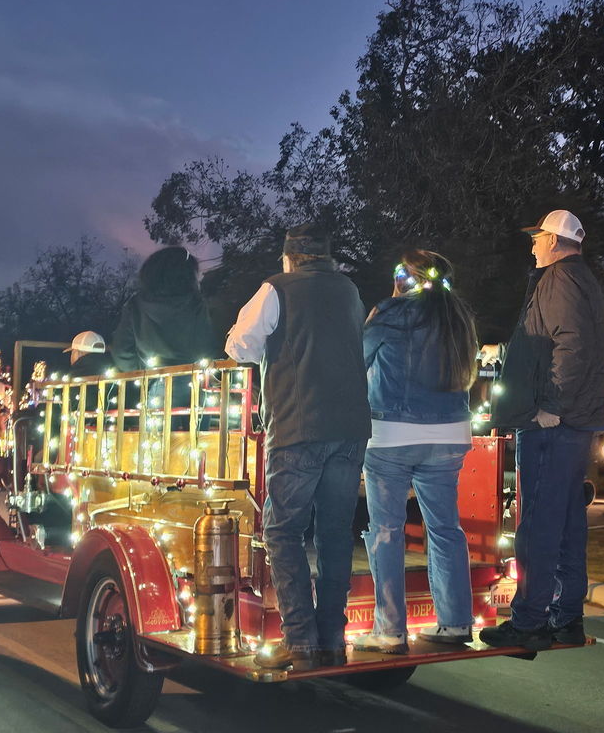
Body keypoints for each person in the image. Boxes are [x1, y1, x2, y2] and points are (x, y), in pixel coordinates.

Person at [225, 224, 370, 671]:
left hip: (298, 426)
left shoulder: (276, 289)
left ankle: (299, 640)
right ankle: (332, 640)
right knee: (334, 533)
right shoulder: (348, 289)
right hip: (350, 428)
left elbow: (238, 346)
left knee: (283, 531)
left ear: (289, 258)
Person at [478, 209, 604, 652]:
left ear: (554, 241)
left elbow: (570, 344)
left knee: (537, 522)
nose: (532, 245)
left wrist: (550, 406)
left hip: (554, 424)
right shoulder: (581, 279)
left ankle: (529, 620)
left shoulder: (560, 280)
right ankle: (566, 617)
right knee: (568, 521)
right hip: (576, 422)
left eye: (537, 239)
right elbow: (564, 342)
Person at [353, 250, 478, 655]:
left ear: (406, 277)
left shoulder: (389, 313)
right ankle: (456, 622)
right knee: (445, 528)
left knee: (386, 530)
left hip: (391, 431)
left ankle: (390, 630)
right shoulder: (459, 317)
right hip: (450, 433)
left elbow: (357, 361)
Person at [112, 246, 216, 371]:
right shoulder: (195, 303)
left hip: (151, 381)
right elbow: (206, 346)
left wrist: (141, 375)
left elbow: (122, 351)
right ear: (188, 274)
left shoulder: (135, 305)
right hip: (190, 377)